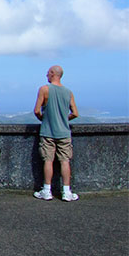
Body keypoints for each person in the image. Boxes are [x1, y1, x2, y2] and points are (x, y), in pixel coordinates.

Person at [33, 65, 79, 202]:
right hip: (64, 132)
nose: (46, 75)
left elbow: (36, 111)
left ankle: (47, 191)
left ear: (53, 74)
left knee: (48, 160)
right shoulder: (68, 92)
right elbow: (75, 113)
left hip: (48, 131)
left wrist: (44, 118)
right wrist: (64, 119)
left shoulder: (44, 90)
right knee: (65, 161)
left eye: (48, 73)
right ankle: (66, 192)